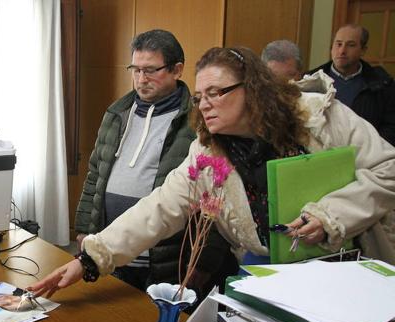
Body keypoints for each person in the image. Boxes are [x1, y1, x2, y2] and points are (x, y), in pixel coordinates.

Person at [30, 46, 395, 299]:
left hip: (344, 266)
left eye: (217, 92)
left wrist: (330, 214)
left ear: (253, 89)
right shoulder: (206, 152)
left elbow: (387, 169)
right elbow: (158, 209)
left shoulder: (320, 117)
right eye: (200, 95)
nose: (204, 104)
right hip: (267, 269)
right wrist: (91, 259)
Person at [74, 29, 234, 293]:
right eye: (135, 70)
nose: (141, 79)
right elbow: (95, 174)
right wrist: (84, 230)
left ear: (177, 70)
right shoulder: (117, 113)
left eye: (150, 70)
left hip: (164, 259)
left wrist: (203, 264)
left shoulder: (198, 121)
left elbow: (213, 198)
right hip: (110, 250)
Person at [308, 24, 395, 146]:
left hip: (368, 155)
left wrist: (373, 148)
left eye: (351, 45)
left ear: (363, 50)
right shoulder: (311, 81)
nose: (342, 51)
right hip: (321, 153)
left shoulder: (382, 83)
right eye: (338, 44)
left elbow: (391, 125)